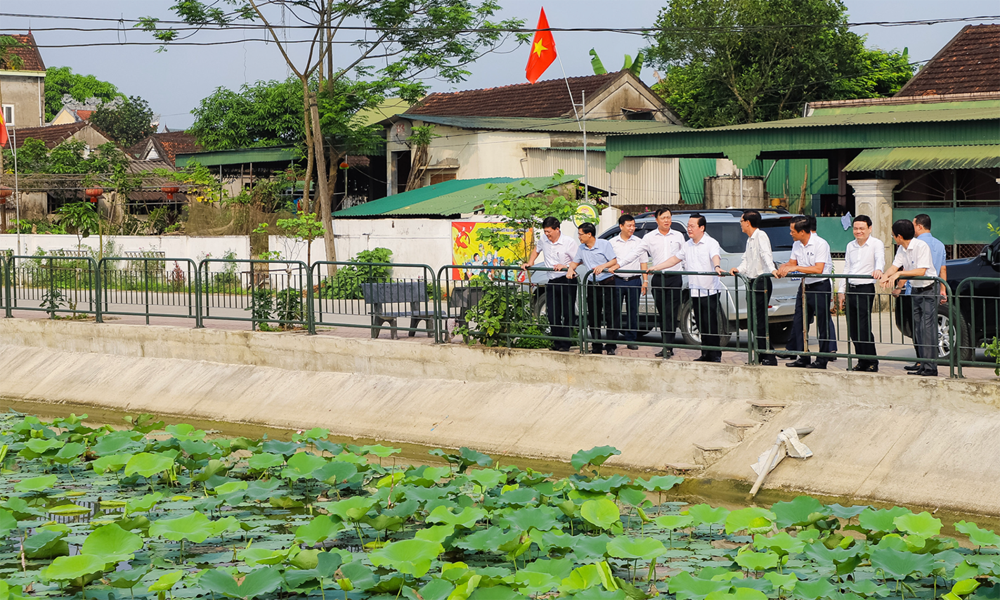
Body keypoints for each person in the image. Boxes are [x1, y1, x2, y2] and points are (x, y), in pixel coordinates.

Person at [650, 214, 725, 363]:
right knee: (701, 325)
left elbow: (715, 256)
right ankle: (705, 354)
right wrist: (656, 267)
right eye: (688, 226)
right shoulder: (687, 244)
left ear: (701, 228)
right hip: (695, 291)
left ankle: (715, 355)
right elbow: (674, 259)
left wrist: (717, 266)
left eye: (692, 226)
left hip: (709, 291)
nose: (689, 229)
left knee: (711, 325)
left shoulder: (711, 243)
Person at [879, 219, 939, 377]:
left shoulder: (921, 246)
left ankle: (931, 367)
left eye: (893, 236)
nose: (893, 238)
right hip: (916, 291)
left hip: (928, 290)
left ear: (899, 236)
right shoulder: (902, 249)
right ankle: (922, 364)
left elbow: (921, 271)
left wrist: (899, 274)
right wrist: (885, 277)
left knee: (927, 329)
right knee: (917, 329)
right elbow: (894, 266)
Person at [775, 216, 837, 369]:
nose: (790, 233)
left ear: (802, 231)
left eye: (792, 231)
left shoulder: (820, 244)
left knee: (822, 324)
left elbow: (818, 269)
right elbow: (792, 262)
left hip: (820, 286)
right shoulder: (797, 244)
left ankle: (822, 359)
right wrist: (782, 268)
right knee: (799, 322)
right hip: (804, 286)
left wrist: (795, 268)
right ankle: (803, 356)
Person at [729, 210, 777, 365]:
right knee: (753, 321)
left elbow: (766, 255)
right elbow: (746, 260)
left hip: (760, 282)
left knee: (759, 321)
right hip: (751, 282)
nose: (740, 224)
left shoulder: (760, 236)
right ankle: (761, 353)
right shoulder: (750, 240)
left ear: (748, 222)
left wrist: (772, 270)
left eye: (742, 221)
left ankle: (768, 355)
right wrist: (738, 269)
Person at [838, 215, 885, 372]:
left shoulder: (876, 244)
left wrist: (878, 270)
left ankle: (871, 361)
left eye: (861, 228)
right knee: (853, 328)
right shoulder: (850, 245)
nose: (858, 231)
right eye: (856, 228)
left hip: (865, 288)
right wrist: (841, 290)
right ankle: (861, 361)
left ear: (869, 229)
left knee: (863, 327)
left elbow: (880, 260)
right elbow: (846, 268)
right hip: (851, 288)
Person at [523, 217, 576, 352]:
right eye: (545, 231)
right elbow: (536, 250)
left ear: (557, 229)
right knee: (552, 313)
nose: (547, 234)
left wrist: (566, 266)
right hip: (552, 280)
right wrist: (531, 262)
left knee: (567, 313)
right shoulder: (544, 240)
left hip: (567, 279)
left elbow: (578, 259)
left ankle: (566, 343)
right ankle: (557, 342)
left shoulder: (568, 242)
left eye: (549, 231)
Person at [904, 214, 948, 371]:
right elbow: (942, 268)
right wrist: (943, 290)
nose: (912, 229)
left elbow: (908, 268)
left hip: (918, 288)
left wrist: (899, 284)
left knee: (919, 328)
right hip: (935, 287)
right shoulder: (939, 244)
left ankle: (924, 363)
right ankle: (927, 363)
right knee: (928, 326)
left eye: (913, 225)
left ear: (920, 226)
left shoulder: (915, 244)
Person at [567, 222, 619, 355]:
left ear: (589, 234)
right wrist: (570, 269)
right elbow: (575, 262)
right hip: (592, 284)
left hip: (606, 282)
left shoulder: (604, 244)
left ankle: (611, 345)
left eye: (581, 234)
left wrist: (603, 266)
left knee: (610, 315)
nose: (579, 237)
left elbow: (614, 261)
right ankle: (596, 346)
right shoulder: (582, 248)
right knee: (594, 316)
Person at [641, 208, 686, 358]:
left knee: (671, 313)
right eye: (663, 218)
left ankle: (669, 346)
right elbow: (641, 255)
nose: (667, 220)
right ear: (657, 220)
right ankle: (665, 345)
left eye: (669, 217)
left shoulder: (679, 235)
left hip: (675, 277)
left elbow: (684, 256)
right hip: (658, 277)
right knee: (662, 314)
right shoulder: (649, 237)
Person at [608, 215, 645, 350]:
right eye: (629, 225)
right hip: (617, 280)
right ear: (621, 226)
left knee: (633, 311)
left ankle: (631, 339)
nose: (632, 228)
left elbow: (643, 262)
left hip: (634, 280)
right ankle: (613, 340)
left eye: (633, 225)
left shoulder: (639, 242)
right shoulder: (612, 242)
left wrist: (645, 281)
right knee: (614, 311)